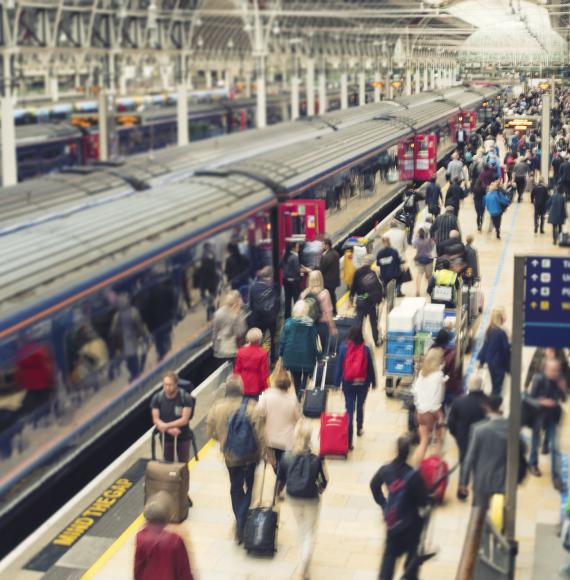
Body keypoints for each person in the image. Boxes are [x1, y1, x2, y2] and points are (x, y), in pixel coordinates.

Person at [207, 374, 263, 544]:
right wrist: (266, 453)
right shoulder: (252, 406)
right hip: (251, 455)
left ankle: (239, 520)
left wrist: (224, 441)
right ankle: (242, 518)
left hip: (231, 456)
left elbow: (211, 433)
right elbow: (260, 434)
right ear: (242, 390)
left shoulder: (217, 408)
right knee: (251, 486)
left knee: (235, 487)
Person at [370, 435, 427, 580]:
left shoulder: (386, 470)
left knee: (387, 565)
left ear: (396, 450)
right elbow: (422, 502)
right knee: (411, 565)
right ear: (410, 453)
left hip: (393, 524)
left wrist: (384, 504)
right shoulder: (413, 475)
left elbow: (374, 485)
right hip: (411, 527)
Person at [277, 422, 328, 579]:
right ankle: (303, 566)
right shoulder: (317, 458)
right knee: (310, 533)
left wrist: (279, 494)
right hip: (311, 498)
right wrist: (320, 489)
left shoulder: (286, 456)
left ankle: (303, 563)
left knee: (301, 529)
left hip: (293, 497)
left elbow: (280, 479)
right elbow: (325, 480)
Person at [458, 395, 527, 507]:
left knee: (479, 515)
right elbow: (523, 449)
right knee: (501, 515)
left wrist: (463, 482)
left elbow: (469, 458)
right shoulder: (512, 428)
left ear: (486, 408)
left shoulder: (478, 430)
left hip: (482, 481)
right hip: (504, 480)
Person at [334, 325, 376, 450]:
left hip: (348, 383)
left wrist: (336, 383)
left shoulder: (343, 348)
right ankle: (359, 428)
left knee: (349, 409)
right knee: (360, 405)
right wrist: (374, 382)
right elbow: (370, 368)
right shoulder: (366, 349)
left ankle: (349, 441)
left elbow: (339, 367)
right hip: (362, 383)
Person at [135, 492, 194, 580]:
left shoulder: (141, 536)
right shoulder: (175, 540)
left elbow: (138, 569)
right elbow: (184, 571)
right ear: (168, 517)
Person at [447, 375, 488, 500]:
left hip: (463, 438)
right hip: (482, 438)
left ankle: (462, 489)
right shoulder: (488, 402)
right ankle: (478, 491)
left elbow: (451, 423)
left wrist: (457, 435)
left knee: (464, 462)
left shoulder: (459, 402)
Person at [528, 359, 567, 489]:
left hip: (552, 417)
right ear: (545, 370)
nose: (554, 373)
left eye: (556, 370)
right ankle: (533, 463)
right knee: (535, 441)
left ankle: (556, 477)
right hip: (538, 416)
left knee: (555, 447)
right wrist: (543, 401)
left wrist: (563, 388)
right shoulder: (538, 379)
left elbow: (563, 398)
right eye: (552, 370)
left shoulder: (558, 380)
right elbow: (531, 397)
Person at [256, 370, 301, 479]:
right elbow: (299, 420)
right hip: (287, 441)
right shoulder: (292, 399)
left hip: (270, 439)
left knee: (274, 462)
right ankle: (282, 479)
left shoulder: (266, 395)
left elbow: (258, 413)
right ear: (289, 384)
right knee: (284, 462)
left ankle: (279, 475)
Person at [279, 301, 320, 400]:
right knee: (306, 372)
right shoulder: (310, 324)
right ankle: (302, 387)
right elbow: (314, 341)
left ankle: (298, 393)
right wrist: (318, 355)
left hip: (291, 355)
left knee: (295, 375)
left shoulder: (288, 323)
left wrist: (281, 354)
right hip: (307, 354)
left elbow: (283, 341)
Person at [151, 372, 195, 463]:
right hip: (166, 438)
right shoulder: (157, 398)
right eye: (165, 385)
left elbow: (184, 420)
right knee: (168, 463)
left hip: (183, 436)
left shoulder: (185, 398)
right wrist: (169, 429)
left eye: (170, 385)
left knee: (183, 464)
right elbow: (156, 419)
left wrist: (166, 426)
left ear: (176, 384)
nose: (167, 387)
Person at [412, 349, 445, 463]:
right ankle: (435, 468)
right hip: (432, 412)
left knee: (424, 441)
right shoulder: (439, 376)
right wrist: (439, 415)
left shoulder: (422, 374)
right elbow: (438, 398)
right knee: (438, 441)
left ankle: (416, 467)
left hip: (420, 412)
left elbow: (415, 392)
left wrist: (419, 407)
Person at [110, 293, 151, 381]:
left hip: (131, 340)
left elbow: (114, 331)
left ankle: (136, 374)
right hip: (128, 341)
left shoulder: (120, 315)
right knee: (132, 358)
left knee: (132, 358)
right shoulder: (128, 313)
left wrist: (143, 336)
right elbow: (139, 326)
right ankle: (136, 373)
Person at [300, 270, 337, 355]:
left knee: (310, 349)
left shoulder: (304, 294)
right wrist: (332, 327)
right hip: (322, 325)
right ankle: (322, 365)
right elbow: (328, 312)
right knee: (324, 349)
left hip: (308, 324)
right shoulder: (325, 293)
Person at [248, 267, 280, 363]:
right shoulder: (274, 287)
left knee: (258, 340)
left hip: (258, 319)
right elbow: (278, 304)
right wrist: (275, 314)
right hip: (271, 319)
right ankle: (272, 359)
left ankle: (258, 358)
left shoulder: (253, 287)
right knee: (271, 340)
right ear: (270, 277)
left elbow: (251, 305)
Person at [477, 308, 511, 396]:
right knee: (498, 388)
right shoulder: (501, 332)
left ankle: (493, 404)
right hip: (499, 364)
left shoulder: (490, 330)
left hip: (491, 364)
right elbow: (506, 348)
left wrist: (481, 361)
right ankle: (494, 406)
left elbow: (485, 347)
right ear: (500, 318)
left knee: (495, 386)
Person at [351, 255, 384, 346]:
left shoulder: (357, 272)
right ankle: (376, 341)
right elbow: (378, 287)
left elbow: (353, 287)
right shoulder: (372, 273)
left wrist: (351, 298)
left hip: (361, 301)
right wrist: (380, 299)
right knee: (373, 322)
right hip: (371, 302)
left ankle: (357, 341)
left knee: (359, 322)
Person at [212, 290, 247, 364]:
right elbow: (240, 332)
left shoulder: (218, 313)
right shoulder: (239, 313)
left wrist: (215, 348)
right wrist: (236, 317)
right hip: (234, 350)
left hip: (222, 349)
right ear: (237, 301)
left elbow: (215, 331)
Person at [234, 328, 270, 400]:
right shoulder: (263, 353)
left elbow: (237, 370)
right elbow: (264, 373)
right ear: (259, 340)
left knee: (243, 405)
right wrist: (266, 387)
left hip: (243, 384)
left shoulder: (241, 351)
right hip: (257, 385)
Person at [283, 242, 308, 320]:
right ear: (293, 248)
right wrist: (304, 271)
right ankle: (297, 316)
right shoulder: (294, 257)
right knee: (296, 299)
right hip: (294, 282)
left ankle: (287, 317)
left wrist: (288, 270)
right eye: (297, 247)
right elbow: (297, 270)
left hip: (286, 281)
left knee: (287, 300)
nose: (298, 249)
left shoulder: (285, 255)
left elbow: (280, 265)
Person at [318, 238, 341, 316]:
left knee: (329, 296)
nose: (321, 246)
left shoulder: (327, 256)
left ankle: (331, 312)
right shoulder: (335, 253)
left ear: (327, 246)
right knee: (332, 295)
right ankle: (334, 311)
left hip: (328, 281)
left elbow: (322, 268)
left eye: (323, 245)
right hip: (334, 280)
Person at [413, 227, 435, 297]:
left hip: (419, 259)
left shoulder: (416, 241)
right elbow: (432, 247)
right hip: (428, 260)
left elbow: (414, 247)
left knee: (419, 274)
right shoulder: (429, 241)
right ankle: (429, 290)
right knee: (429, 276)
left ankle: (418, 290)